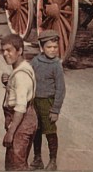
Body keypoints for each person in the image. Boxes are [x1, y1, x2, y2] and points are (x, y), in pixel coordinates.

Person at [0, 33, 37, 171]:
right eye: (3, 50)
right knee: (17, 163)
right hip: (27, 119)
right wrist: (9, 81)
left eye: (9, 50)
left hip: (21, 121)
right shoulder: (23, 68)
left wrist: (10, 132)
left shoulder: (20, 75)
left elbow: (20, 107)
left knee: (16, 166)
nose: (5, 54)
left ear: (20, 50)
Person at [30, 30, 65, 171]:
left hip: (47, 103)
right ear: (42, 48)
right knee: (35, 131)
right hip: (34, 103)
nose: (52, 50)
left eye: (55, 47)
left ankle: (52, 160)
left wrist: (55, 109)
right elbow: (27, 77)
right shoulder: (35, 61)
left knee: (50, 132)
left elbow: (61, 89)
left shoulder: (56, 65)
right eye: (49, 47)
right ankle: (37, 158)